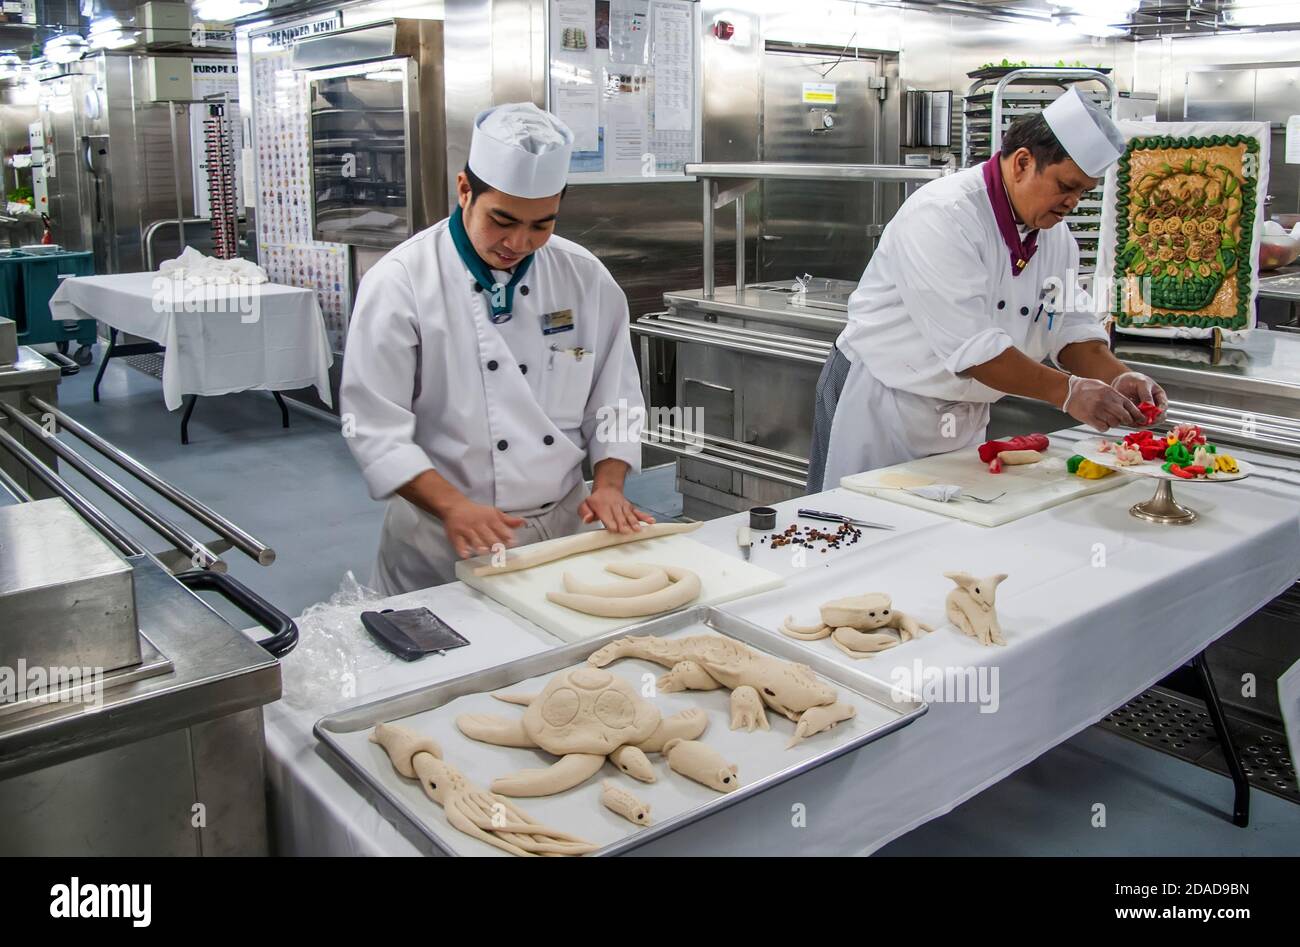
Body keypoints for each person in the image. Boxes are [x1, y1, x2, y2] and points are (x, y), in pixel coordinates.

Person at [341, 103, 649, 595]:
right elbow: (374, 428)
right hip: (445, 538)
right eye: (502, 220)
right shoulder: (402, 282)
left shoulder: (585, 276)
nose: (519, 241)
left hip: (564, 528)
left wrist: (609, 485)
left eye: (541, 224)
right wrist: (452, 507)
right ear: (465, 190)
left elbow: (615, 400)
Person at [808, 87, 1168, 490]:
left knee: (945, 537)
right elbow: (973, 348)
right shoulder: (945, 215)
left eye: (1083, 193)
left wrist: (1118, 377)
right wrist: (1067, 392)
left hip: (962, 413)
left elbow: (1068, 323)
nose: (1072, 203)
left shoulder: (1055, 237)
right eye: (1066, 186)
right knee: (852, 530)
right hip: (883, 403)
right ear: (1022, 163)